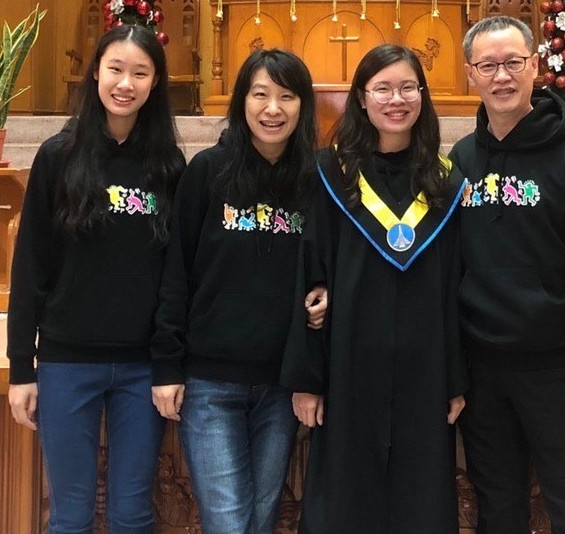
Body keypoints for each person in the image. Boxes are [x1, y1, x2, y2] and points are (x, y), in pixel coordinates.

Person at [448, 16, 565, 534]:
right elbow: (450, 266)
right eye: (487, 65)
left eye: (513, 62)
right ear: (470, 74)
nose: (501, 76)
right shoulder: (462, 159)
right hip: (483, 372)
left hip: (557, 371)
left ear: (535, 66)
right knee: (497, 511)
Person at [281, 44, 468, 534]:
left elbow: (453, 287)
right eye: (382, 88)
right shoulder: (331, 174)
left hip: (425, 372)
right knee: (345, 500)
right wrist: (308, 379)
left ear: (423, 96)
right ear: (361, 99)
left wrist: (454, 378)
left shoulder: (445, 184)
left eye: (407, 87)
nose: (396, 99)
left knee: (421, 502)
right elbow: (311, 278)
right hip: (348, 368)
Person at [6, 24, 186, 534]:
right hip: (67, 362)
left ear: (155, 83)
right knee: (71, 515)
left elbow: (174, 273)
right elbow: (30, 266)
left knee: (132, 514)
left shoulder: (168, 166)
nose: (125, 83)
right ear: (96, 74)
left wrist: (169, 360)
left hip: (141, 368)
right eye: (115, 69)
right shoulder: (57, 156)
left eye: (140, 73)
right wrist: (21, 368)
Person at [150, 48, 325, 534]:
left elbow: (326, 267)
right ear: (241, 101)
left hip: (280, 383)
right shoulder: (208, 172)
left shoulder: (314, 181)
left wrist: (324, 295)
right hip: (211, 381)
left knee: (262, 516)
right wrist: (167, 365)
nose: (273, 109)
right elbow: (176, 272)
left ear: (303, 105)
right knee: (228, 520)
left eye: (286, 97)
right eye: (260, 94)